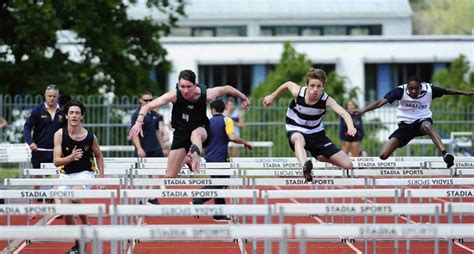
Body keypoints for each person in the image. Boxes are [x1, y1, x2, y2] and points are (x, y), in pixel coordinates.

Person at [129, 69, 250, 176]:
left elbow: (227, 88)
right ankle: (187, 159)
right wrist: (138, 122)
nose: (185, 91)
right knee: (170, 175)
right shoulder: (174, 95)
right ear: (178, 85)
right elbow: (147, 106)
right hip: (181, 132)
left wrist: (244, 98)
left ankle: (195, 154)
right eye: (182, 86)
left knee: (195, 134)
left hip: (201, 128)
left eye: (188, 87)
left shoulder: (206, 95)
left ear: (195, 85)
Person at [357, 75, 474, 168]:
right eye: (410, 88)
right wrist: (364, 110)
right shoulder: (400, 91)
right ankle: (389, 144)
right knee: (383, 155)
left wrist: (464, 92)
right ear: (407, 87)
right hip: (405, 127)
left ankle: (445, 154)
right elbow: (380, 103)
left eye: (416, 89)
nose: (413, 91)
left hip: (422, 121)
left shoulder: (429, 90)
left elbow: (446, 91)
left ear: (421, 87)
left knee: (427, 126)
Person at [262, 68, 356, 182]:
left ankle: (320, 156)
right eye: (312, 86)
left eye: (318, 86)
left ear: (323, 87)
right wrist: (272, 96)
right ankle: (305, 168)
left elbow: (344, 113)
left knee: (348, 164)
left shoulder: (326, 100)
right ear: (307, 85)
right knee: (298, 138)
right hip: (295, 127)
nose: (315, 89)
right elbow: (288, 84)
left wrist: (350, 127)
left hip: (316, 134)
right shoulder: (298, 92)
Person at [53, 100, 104, 254]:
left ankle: (87, 225)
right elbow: (56, 161)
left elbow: (99, 155)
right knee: (67, 214)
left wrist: (101, 177)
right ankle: (79, 243)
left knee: (75, 196)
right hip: (66, 174)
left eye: (77, 113)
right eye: (71, 113)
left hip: (85, 172)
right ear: (67, 116)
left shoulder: (89, 136)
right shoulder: (59, 134)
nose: (74, 115)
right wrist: (70, 157)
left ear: (81, 116)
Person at [191, 99, 252, 222]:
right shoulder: (227, 120)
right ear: (223, 109)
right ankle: (198, 199)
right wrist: (244, 142)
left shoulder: (206, 122)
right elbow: (232, 137)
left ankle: (219, 213)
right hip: (221, 157)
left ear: (212, 110)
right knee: (220, 183)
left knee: (218, 183)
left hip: (209, 157)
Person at [23, 84, 66, 202]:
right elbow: (27, 127)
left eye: (54, 96)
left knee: (56, 178)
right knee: (37, 179)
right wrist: (30, 142)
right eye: (49, 96)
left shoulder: (63, 111)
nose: (52, 98)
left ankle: (55, 202)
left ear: (58, 97)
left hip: (56, 151)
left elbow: (68, 130)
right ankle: (31, 206)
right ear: (45, 96)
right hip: (39, 151)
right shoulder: (37, 110)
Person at [131, 91, 167, 205]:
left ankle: (150, 197)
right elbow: (134, 133)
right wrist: (139, 148)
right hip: (144, 149)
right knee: (143, 177)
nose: (148, 102)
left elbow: (157, 132)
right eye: (145, 100)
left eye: (150, 100)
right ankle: (147, 199)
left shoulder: (155, 114)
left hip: (156, 148)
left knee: (162, 170)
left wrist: (163, 148)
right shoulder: (137, 115)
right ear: (140, 101)